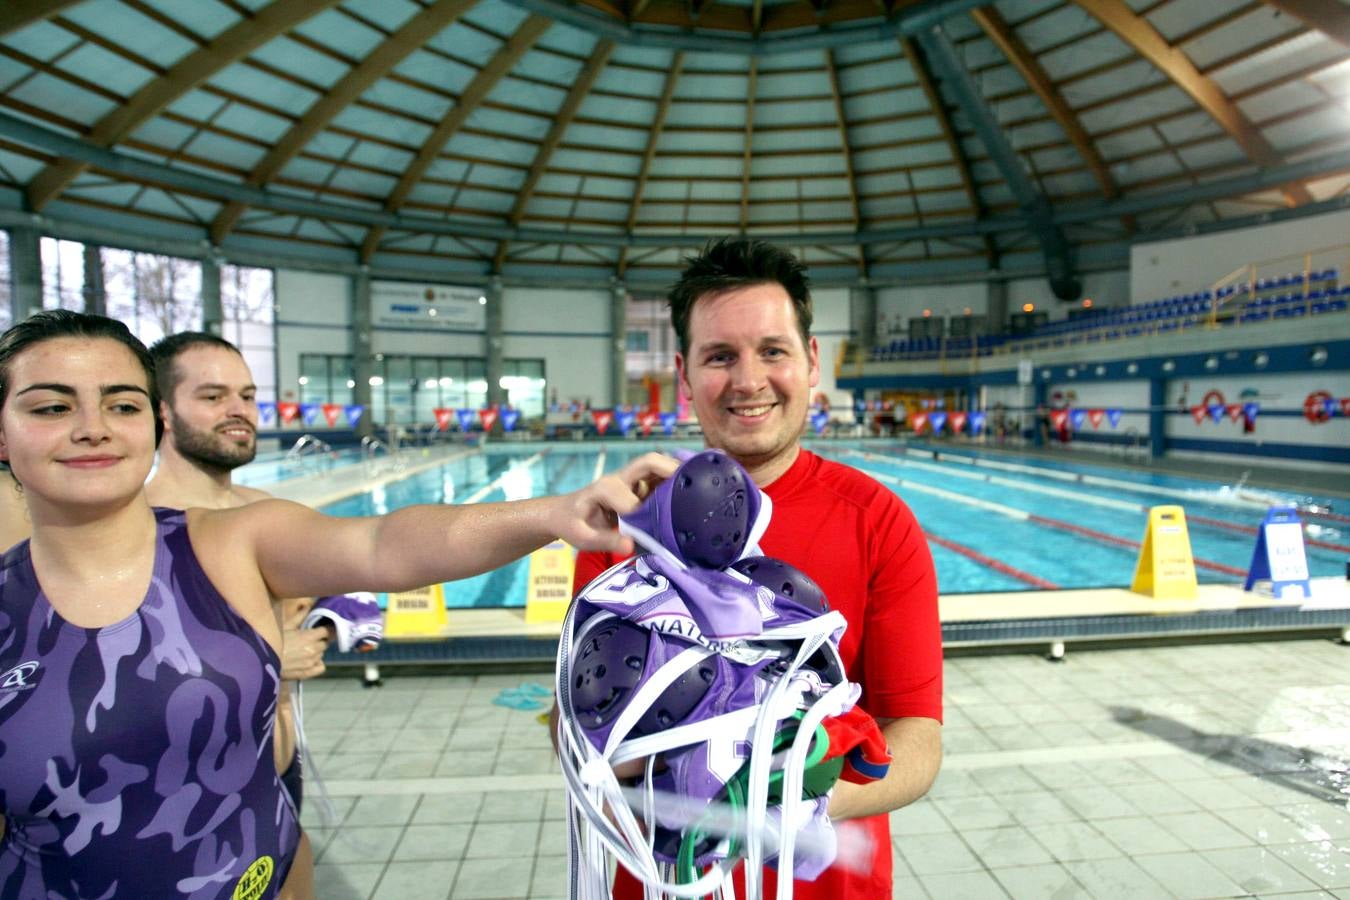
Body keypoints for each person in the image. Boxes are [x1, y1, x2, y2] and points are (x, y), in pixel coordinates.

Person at [0, 310, 676, 899]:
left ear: (153, 421)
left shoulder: (231, 539)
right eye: (51, 407)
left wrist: (556, 511)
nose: (93, 428)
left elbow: (385, 544)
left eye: (120, 404)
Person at [570, 237, 942, 899]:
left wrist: (789, 796)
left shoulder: (878, 521)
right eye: (721, 356)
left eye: (773, 350)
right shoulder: (624, 528)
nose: (748, 380)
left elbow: (917, 737)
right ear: (684, 376)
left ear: (811, 362)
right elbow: (577, 734)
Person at [143, 331, 329, 890]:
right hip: (190, 785)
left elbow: (373, 556)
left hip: (277, 769)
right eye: (213, 396)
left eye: (247, 396)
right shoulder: (138, 526)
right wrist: (269, 651)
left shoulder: (267, 511)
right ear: (164, 412)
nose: (238, 411)